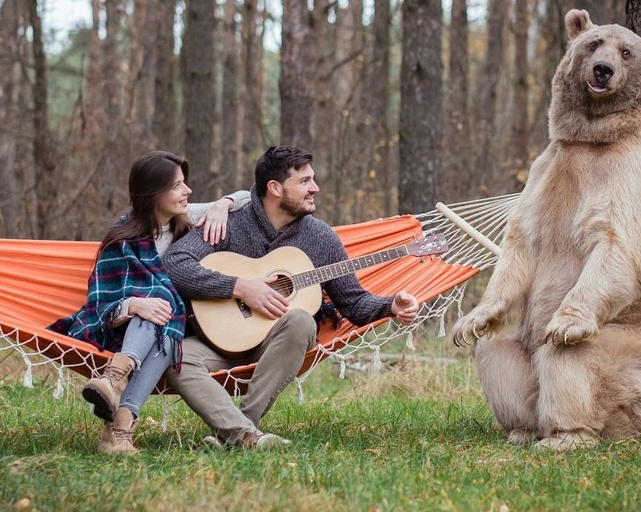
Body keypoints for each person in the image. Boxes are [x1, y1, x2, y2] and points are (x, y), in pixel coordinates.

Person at [162, 145, 420, 450]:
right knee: (173, 355)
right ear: (274, 188)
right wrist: (240, 287)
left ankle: (241, 429)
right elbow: (174, 264)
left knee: (300, 321)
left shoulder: (320, 238)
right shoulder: (229, 224)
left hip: (274, 347)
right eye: (304, 181)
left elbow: (353, 304)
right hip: (215, 341)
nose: (315, 188)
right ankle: (244, 436)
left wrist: (390, 305)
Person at [49, 150, 249, 453]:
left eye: (185, 183)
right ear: (153, 193)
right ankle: (120, 426)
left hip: (168, 330)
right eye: (177, 186)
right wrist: (134, 305)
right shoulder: (122, 238)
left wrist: (223, 205)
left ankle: (115, 384)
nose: (187, 191)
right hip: (121, 331)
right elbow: (101, 304)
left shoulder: (187, 218)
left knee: (163, 318)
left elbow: (248, 197)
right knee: (157, 307)